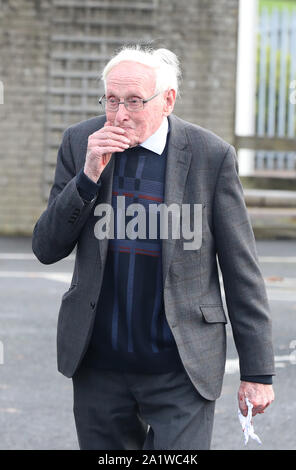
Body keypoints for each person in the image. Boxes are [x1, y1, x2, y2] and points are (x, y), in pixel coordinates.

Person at [32, 46, 275, 450]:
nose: (120, 114)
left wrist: (258, 372)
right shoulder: (81, 143)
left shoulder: (210, 156)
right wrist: (88, 176)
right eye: (111, 100)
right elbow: (46, 246)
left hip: (180, 367)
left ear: (168, 100)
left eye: (133, 101)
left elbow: (241, 271)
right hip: (99, 365)